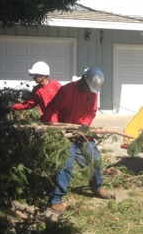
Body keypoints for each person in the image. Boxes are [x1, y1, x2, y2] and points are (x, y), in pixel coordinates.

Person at [40, 67, 114, 213]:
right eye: (87, 87)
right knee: (66, 164)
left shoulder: (93, 92)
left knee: (95, 159)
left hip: (82, 132)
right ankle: (56, 199)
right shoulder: (67, 91)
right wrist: (50, 126)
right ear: (82, 79)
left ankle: (97, 187)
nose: (89, 91)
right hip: (65, 132)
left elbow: (92, 111)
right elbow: (52, 109)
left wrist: (85, 125)